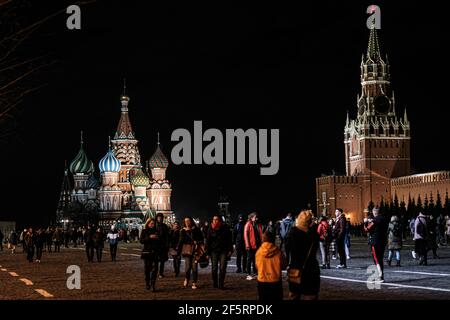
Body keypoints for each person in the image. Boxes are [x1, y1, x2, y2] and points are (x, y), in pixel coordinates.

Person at [286, 210, 320, 300]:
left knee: (294, 295)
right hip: (311, 270)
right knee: (310, 296)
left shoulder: (292, 234)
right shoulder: (313, 235)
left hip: (295, 269)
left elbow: (287, 249)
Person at [255, 231, 287, 301]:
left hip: (262, 281)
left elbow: (257, 266)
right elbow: (284, 266)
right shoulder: (278, 252)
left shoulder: (258, 252)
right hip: (275, 281)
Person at [205, 215, 233, 289]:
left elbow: (229, 240)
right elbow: (208, 241)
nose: (215, 221)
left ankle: (221, 284)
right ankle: (215, 283)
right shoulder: (210, 228)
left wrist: (230, 250)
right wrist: (207, 253)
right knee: (214, 268)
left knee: (223, 268)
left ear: (220, 220)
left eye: (216, 219)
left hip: (223, 250)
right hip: (214, 251)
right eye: (214, 219)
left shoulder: (225, 228)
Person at [177, 216, 204, 289]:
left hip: (195, 251)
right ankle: (186, 278)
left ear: (191, 221)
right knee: (188, 267)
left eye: (188, 221)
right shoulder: (183, 231)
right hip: (187, 251)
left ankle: (194, 283)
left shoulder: (196, 229)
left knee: (195, 268)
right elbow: (181, 242)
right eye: (185, 221)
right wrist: (178, 253)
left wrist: (197, 241)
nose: (187, 222)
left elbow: (202, 239)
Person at [364, 208, 388, 282]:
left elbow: (367, 229)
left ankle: (380, 276)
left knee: (376, 259)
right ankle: (381, 276)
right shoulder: (384, 219)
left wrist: (365, 222)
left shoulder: (375, 220)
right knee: (380, 259)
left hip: (375, 241)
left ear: (374, 212)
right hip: (383, 241)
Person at [140, 218, 162, 291]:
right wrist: (149, 237)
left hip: (155, 252)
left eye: (153, 223)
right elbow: (141, 241)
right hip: (147, 252)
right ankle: (147, 283)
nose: (152, 225)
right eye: (151, 223)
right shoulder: (144, 231)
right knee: (147, 269)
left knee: (155, 269)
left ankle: (153, 284)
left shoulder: (157, 231)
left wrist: (158, 238)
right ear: (148, 223)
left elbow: (160, 242)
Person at [244, 212, 264, 280]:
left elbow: (261, 234)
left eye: (256, 217)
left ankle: (255, 273)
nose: (256, 219)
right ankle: (248, 274)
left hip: (257, 245)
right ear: (251, 218)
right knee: (249, 259)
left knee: (256, 259)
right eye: (255, 217)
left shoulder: (258, 224)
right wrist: (247, 245)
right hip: (250, 245)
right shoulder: (248, 224)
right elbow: (246, 236)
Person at [155, 213, 170, 278]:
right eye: (159, 217)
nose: (160, 219)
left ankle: (161, 273)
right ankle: (155, 272)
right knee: (155, 260)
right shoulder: (154, 225)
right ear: (157, 218)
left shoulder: (165, 226)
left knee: (162, 260)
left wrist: (167, 245)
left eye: (161, 218)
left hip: (163, 245)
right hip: (156, 245)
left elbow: (167, 236)